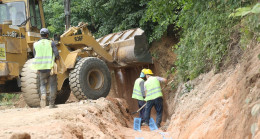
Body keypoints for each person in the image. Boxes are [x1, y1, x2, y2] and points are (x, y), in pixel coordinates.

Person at [31, 28, 60, 108]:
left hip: (41, 69)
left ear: (40, 35)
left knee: (42, 84)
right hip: (50, 68)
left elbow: (35, 56)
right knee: (52, 85)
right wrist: (58, 59)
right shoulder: (51, 43)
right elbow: (56, 54)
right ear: (47, 35)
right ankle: (51, 104)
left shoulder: (35, 44)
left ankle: (43, 94)